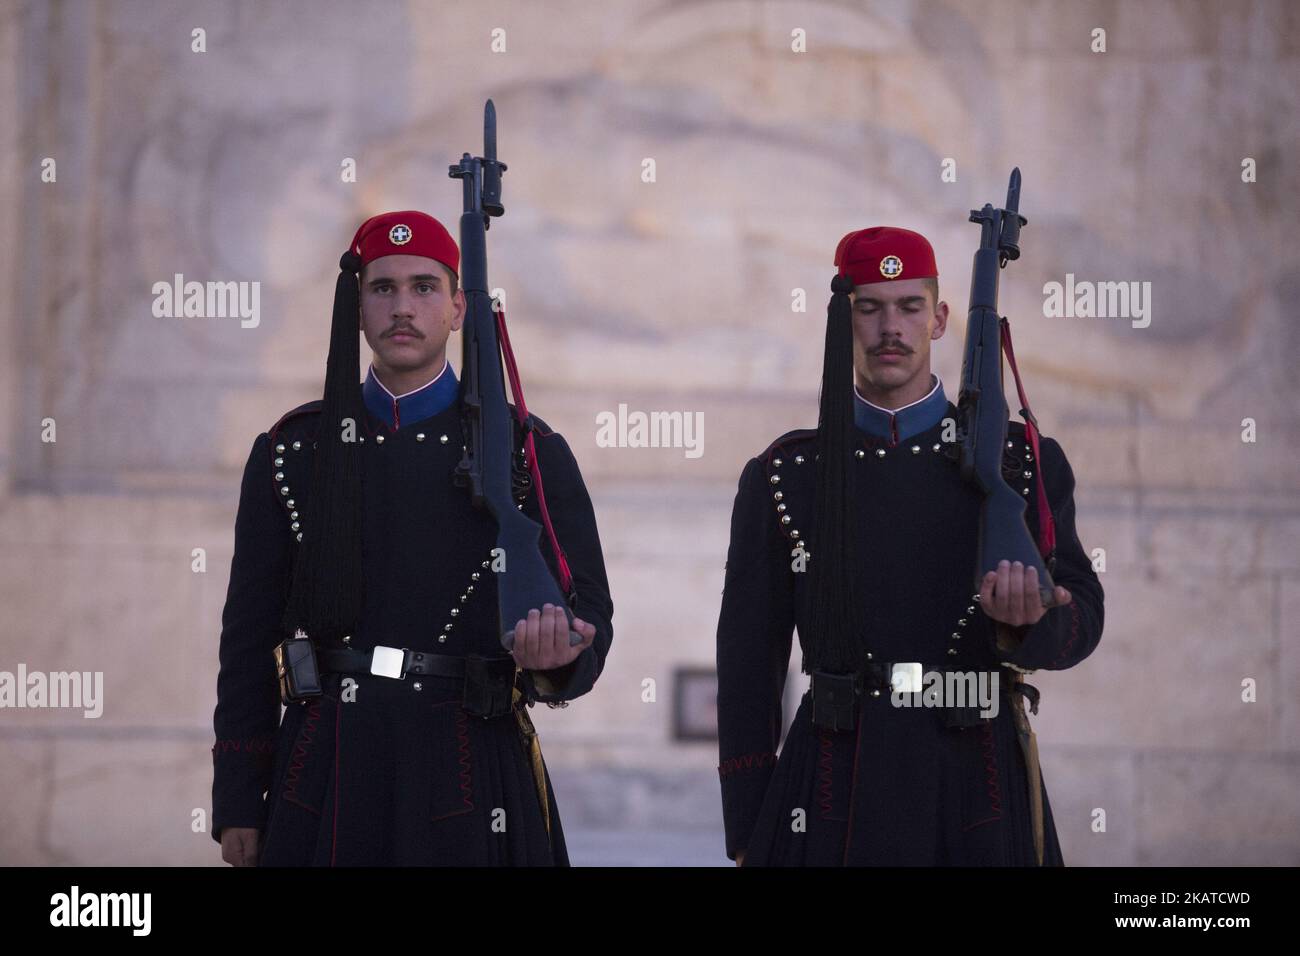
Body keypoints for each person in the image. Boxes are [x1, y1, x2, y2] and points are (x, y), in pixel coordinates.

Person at [211, 210, 613, 866]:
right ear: (357, 306)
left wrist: (558, 659)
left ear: (458, 308)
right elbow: (249, 640)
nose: (404, 307)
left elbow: (588, 615)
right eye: (383, 288)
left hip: (471, 764)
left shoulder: (527, 449)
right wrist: (236, 799)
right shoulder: (293, 449)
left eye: (425, 287)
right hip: (326, 766)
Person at [715, 225, 1103, 866]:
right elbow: (748, 667)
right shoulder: (785, 473)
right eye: (867, 308)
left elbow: (1082, 614)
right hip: (834, 779)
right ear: (843, 322)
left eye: (909, 306)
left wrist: (1034, 622)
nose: (888, 326)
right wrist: (750, 830)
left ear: (941, 318)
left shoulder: (1021, 461)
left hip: (976, 780)